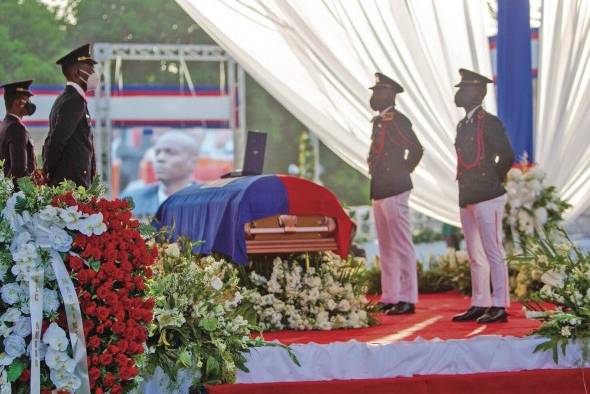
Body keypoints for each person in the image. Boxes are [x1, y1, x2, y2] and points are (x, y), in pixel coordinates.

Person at [451, 68, 515, 324]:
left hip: (487, 194)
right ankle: (480, 302)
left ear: (479, 91)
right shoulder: (463, 123)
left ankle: (499, 304)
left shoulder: (490, 122)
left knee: (493, 251)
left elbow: (507, 155)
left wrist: (491, 179)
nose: (460, 93)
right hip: (468, 194)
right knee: (475, 254)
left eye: (465, 88)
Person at [368, 72, 423, 315]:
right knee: (386, 246)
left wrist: (403, 172)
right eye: (374, 91)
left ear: (390, 94)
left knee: (401, 244)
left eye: (378, 91)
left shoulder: (398, 120)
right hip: (380, 188)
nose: (374, 96)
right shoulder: (381, 120)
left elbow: (416, 149)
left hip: (395, 187)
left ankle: (407, 296)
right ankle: (390, 295)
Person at [42, 43, 98, 188]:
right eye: (89, 67)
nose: (93, 72)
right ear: (76, 72)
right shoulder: (74, 101)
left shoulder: (67, 99)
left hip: (72, 181)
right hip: (71, 183)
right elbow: (57, 141)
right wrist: (49, 173)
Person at [121, 131, 200, 218]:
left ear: (193, 161)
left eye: (171, 152)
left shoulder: (211, 201)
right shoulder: (132, 200)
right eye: (157, 153)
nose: (160, 158)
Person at [0, 80, 37, 180]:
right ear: (17, 103)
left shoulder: (4, 124)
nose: (30, 104)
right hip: (19, 192)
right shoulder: (17, 128)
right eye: (27, 100)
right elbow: (19, 168)